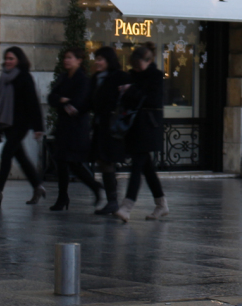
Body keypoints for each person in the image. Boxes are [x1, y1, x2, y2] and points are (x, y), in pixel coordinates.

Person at [0, 46, 47, 207]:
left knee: (6, 156)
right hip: (6, 123)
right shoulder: (4, 77)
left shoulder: (24, 77)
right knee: (21, 157)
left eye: (11, 58)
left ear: (19, 59)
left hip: (21, 123)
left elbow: (33, 102)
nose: (8, 61)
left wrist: (38, 127)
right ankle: (38, 187)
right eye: (6, 58)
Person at [114, 44, 168, 222]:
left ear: (148, 61)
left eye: (139, 64)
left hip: (148, 126)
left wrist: (130, 91)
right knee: (147, 167)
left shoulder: (156, 76)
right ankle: (161, 204)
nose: (136, 68)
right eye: (134, 65)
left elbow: (151, 99)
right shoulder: (133, 76)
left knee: (137, 165)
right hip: (135, 126)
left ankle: (127, 206)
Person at [46, 47, 103, 211]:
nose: (66, 60)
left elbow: (78, 104)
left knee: (75, 164)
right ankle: (63, 197)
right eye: (65, 57)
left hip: (76, 128)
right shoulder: (63, 77)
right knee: (62, 163)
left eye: (70, 57)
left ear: (78, 60)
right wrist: (63, 101)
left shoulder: (83, 79)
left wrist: (63, 101)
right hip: (64, 127)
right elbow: (52, 97)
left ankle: (93, 186)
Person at [88, 46, 128, 215]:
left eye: (101, 59)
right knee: (103, 160)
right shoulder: (96, 78)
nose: (97, 62)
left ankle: (113, 200)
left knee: (106, 160)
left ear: (108, 61)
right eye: (96, 59)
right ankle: (112, 199)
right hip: (100, 126)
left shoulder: (119, 76)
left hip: (112, 127)